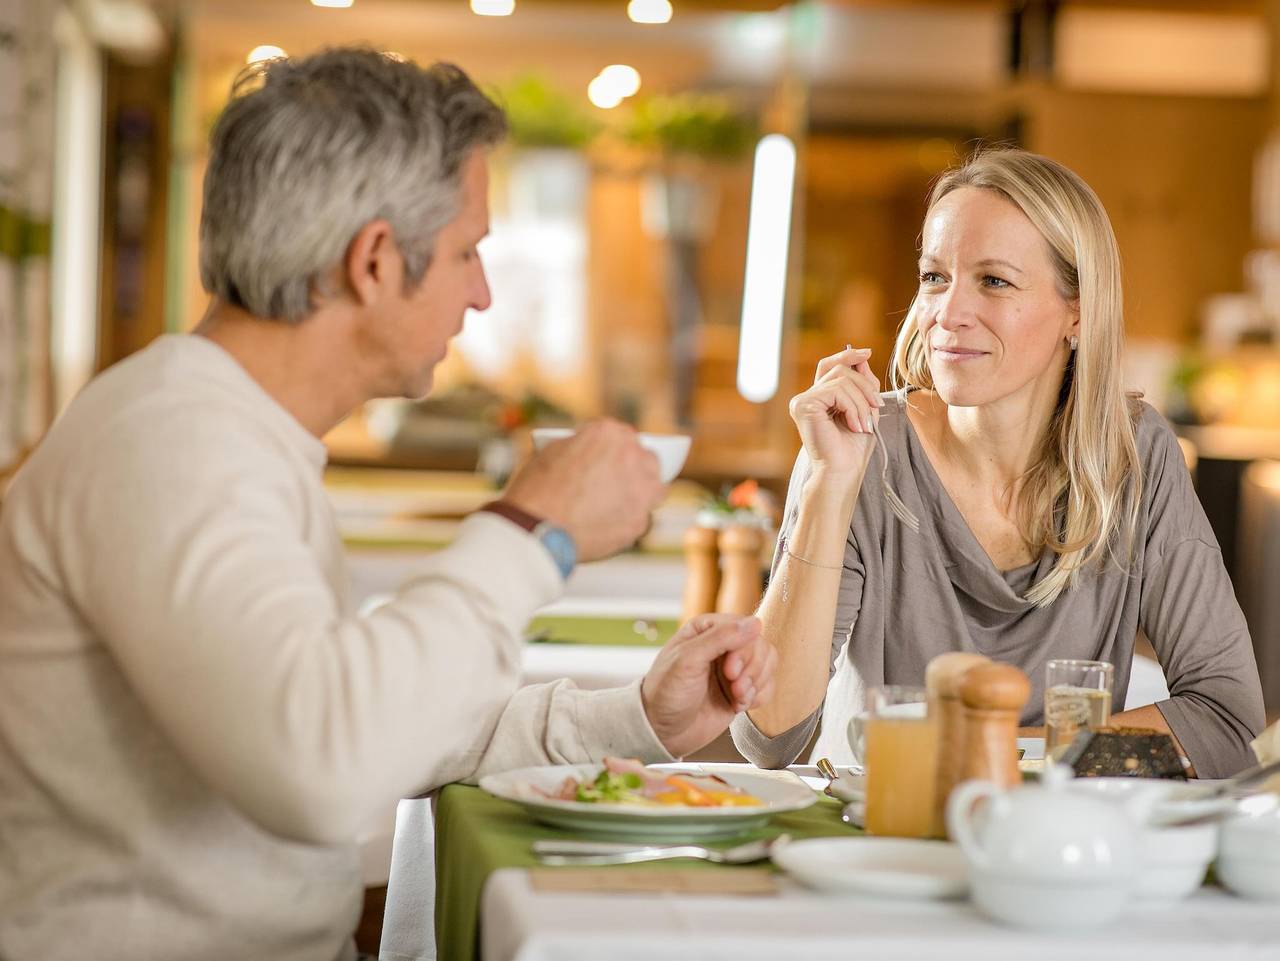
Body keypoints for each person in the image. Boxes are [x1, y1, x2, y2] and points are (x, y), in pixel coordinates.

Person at [0, 50, 775, 961]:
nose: (481, 291)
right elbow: (324, 765)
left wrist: (636, 716)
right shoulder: (173, 441)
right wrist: (531, 531)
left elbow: (371, 712)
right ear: (373, 260)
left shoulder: (228, 430)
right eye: (465, 252)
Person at [732, 147, 1265, 780]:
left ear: (1078, 311)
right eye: (935, 277)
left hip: (1055, 850)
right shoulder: (859, 443)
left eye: (994, 280)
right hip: (876, 839)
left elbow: (1227, 723)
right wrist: (829, 485)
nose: (947, 314)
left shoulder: (1134, 454)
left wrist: (989, 755)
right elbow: (767, 736)